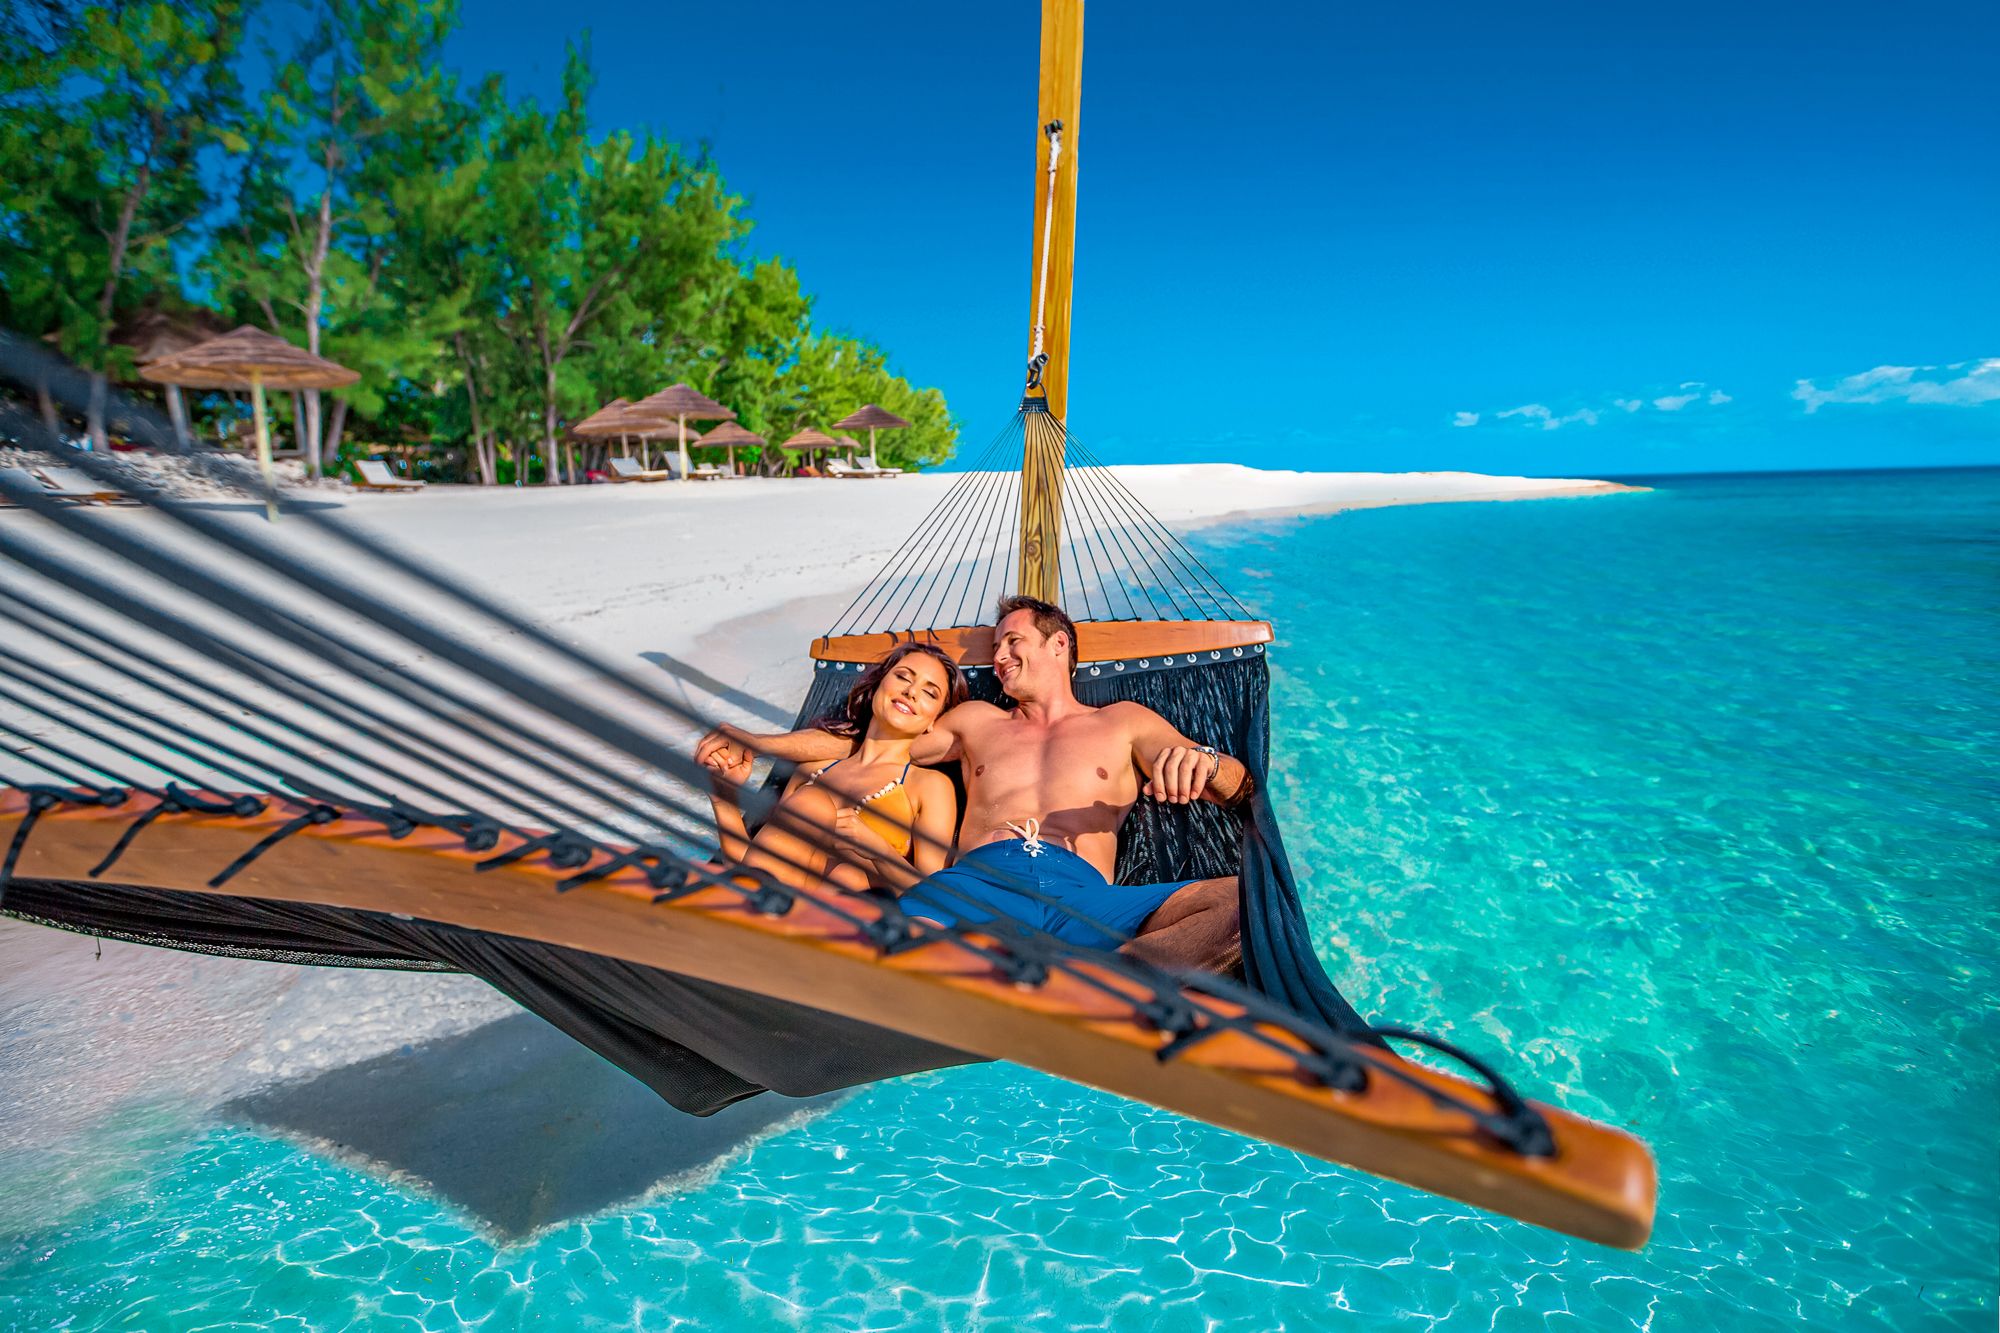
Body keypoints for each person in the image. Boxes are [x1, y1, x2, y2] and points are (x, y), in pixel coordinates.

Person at [698, 595, 1251, 971]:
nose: (1001, 657)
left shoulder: (1124, 721)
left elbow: (1234, 783)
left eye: (1013, 642)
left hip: (1081, 896)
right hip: (973, 886)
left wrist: (1205, 762)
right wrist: (762, 743)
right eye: (995, 651)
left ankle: (1109, 987)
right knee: (897, 955)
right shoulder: (976, 722)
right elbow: (877, 742)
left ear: (1060, 645)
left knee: (1242, 906)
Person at [702, 643, 965, 895]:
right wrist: (724, 797)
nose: (912, 692)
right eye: (903, 677)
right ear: (877, 687)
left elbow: (933, 896)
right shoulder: (811, 770)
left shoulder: (929, 785)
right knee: (812, 801)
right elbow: (748, 866)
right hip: (770, 904)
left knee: (848, 873)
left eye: (930, 693)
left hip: (850, 924)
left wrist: (876, 849)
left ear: (934, 722)